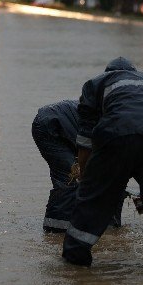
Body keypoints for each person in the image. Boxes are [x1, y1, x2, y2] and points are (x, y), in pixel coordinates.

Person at [62, 57, 143, 274]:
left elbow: (85, 139)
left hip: (116, 136)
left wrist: (86, 178)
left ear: (107, 72)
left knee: (92, 203)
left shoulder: (96, 83)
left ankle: (75, 265)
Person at [32, 100, 123, 233]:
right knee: (71, 176)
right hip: (50, 124)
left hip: (61, 123)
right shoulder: (115, 131)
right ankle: (56, 231)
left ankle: (98, 225)